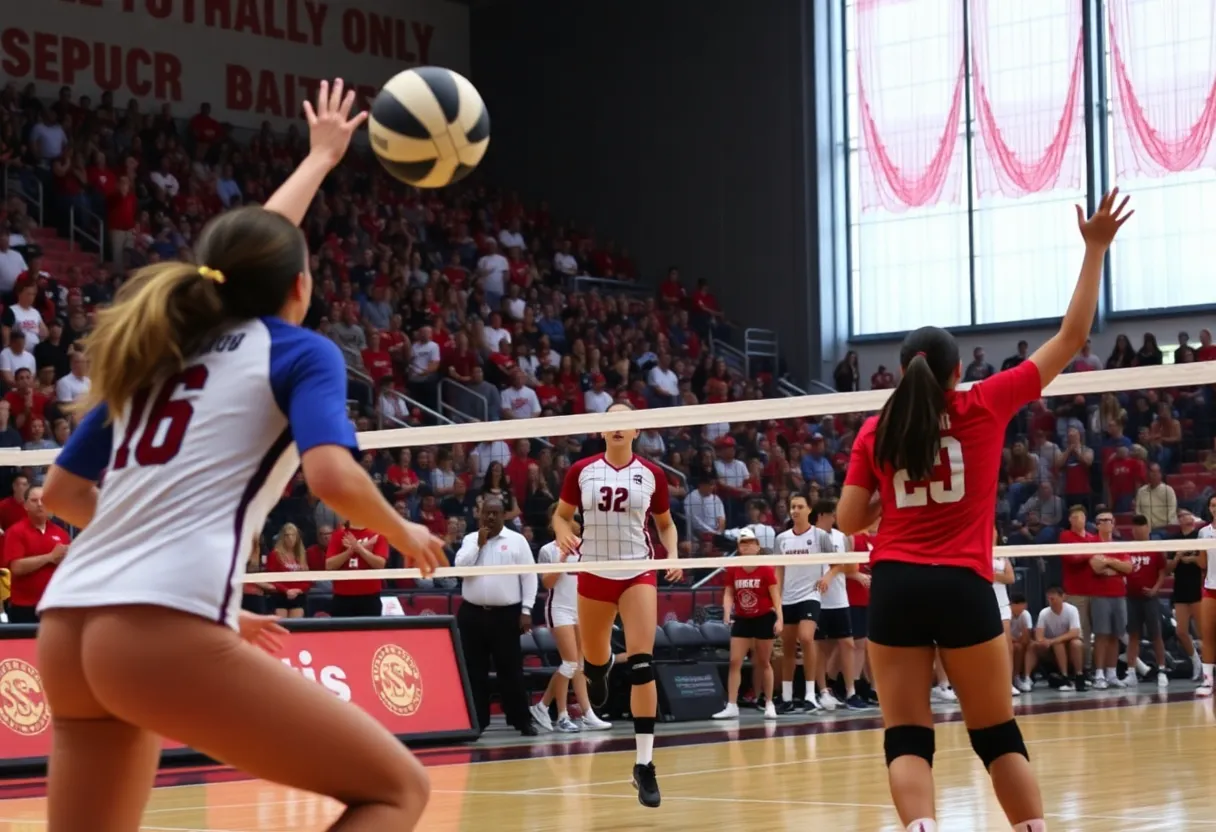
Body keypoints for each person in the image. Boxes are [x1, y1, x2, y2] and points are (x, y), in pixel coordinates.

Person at [35, 81, 444, 832]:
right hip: (156, 631)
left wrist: (319, 160)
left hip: (67, 625)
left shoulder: (157, 352)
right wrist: (403, 530)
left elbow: (60, 493)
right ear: (301, 286)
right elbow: (330, 476)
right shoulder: (301, 352)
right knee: (397, 791)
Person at [837, 190, 1132, 832]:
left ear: (903, 373)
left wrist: (893, 498)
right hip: (963, 584)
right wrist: (1094, 249)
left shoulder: (876, 430)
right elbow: (1072, 337)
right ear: (955, 374)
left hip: (895, 585)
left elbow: (849, 520)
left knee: (907, 738)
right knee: (997, 734)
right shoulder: (983, 405)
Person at [553, 401, 681, 808]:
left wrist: (673, 554)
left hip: (637, 570)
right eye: (612, 422)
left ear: (637, 431)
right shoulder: (581, 470)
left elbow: (665, 524)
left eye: (626, 422)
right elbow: (561, 516)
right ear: (602, 430)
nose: (619, 427)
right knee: (593, 659)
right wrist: (561, 533)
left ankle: (644, 764)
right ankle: (599, 667)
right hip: (593, 571)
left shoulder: (652, 474)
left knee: (643, 663)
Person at [453, 496, 538, 737]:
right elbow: (459, 569)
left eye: (495, 513)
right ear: (480, 515)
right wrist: (478, 545)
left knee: (510, 669)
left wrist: (526, 610)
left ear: (503, 515)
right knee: (474, 670)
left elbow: (529, 576)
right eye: (486, 513)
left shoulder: (517, 541)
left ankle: (521, 720)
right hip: (473, 614)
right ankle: (477, 721)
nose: (490, 517)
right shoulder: (470, 539)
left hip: (506, 615)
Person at [530, 509, 613, 733]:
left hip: (581, 609)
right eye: (568, 520)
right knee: (569, 664)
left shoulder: (587, 547)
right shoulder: (548, 550)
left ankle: (586, 713)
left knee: (580, 666)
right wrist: (563, 558)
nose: (574, 523)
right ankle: (557, 713)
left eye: (575, 520)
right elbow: (547, 583)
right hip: (559, 609)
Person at [774, 492, 835, 713]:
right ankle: (787, 697)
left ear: (809, 510)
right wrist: (778, 599)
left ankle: (811, 695)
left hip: (810, 595)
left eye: (800, 506)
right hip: (788, 597)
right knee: (788, 646)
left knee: (807, 638)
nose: (795, 510)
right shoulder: (782, 539)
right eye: (793, 507)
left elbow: (838, 562)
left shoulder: (820, 536)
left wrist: (827, 577)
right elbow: (779, 570)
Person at [713, 528, 781, 720]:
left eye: (750, 542)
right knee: (735, 661)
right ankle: (732, 705)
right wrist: (727, 612)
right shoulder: (734, 567)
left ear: (758, 546)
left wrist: (780, 619)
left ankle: (769, 703)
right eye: (743, 543)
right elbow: (728, 592)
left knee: (764, 662)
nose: (747, 546)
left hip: (764, 617)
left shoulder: (766, 569)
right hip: (742, 618)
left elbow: (775, 595)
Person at [992, 529, 1018, 697]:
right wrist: (999, 575)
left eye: (994, 529)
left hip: (1002, 604)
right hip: (984, 603)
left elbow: (1010, 578)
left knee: (1007, 645)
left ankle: (1008, 682)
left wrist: (993, 575)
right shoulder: (978, 551)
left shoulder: (1002, 554)